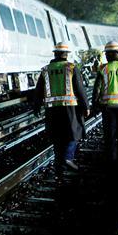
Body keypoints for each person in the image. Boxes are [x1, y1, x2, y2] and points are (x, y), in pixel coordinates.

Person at [34, 42, 90, 175]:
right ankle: (68, 158)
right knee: (73, 133)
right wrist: (86, 106)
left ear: (55, 53)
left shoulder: (46, 70)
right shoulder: (71, 67)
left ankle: (59, 167)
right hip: (69, 108)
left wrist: (36, 107)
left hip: (52, 110)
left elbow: (38, 90)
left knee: (57, 137)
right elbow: (79, 89)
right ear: (66, 54)